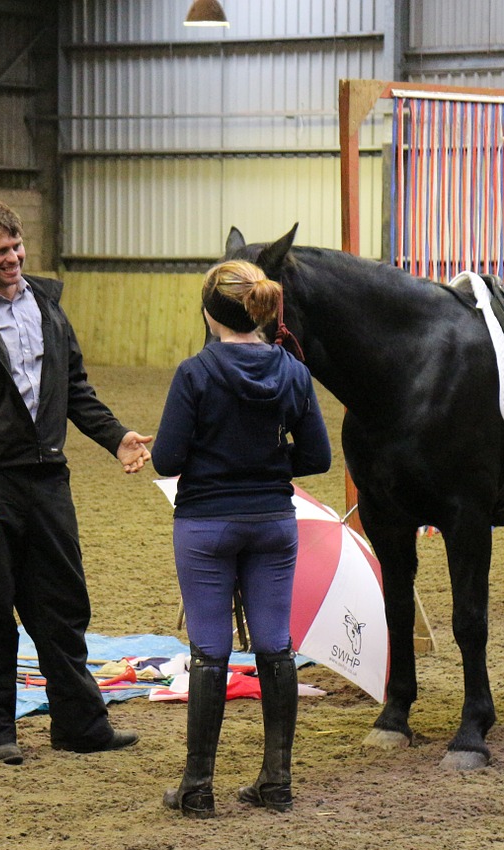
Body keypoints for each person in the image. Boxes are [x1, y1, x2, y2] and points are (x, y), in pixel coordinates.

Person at [0, 199, 153, 765]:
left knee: (62, 604)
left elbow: (75, 389)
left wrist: (116, 436)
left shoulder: (48, 307)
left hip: (48, 481)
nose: (13, 258)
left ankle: (80, 725)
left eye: (17, 247)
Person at [151, 259, 331, 817]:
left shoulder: (195, 373)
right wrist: (271, 457)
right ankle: (276, 781)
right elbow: (318, 457)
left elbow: (167, 457)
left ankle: (197, 787)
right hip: (273, 522)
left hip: (206, 524)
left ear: (210, 314)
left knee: (210, 651)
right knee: (276, 646)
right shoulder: (295, 373)